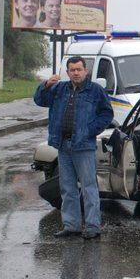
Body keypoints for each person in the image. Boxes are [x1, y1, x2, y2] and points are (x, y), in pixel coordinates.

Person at [34, 57, 114, 239]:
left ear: (85, 71)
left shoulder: (95, 91)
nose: (76, 73)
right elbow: (40, 100)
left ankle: (93, 227)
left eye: (79, 69)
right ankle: (72, 225)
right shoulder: (59, 88)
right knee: (67, 188)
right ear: (68, 72)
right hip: (63, 146)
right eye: (72, 70)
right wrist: (46, 84)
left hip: (84, 146)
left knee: (88, 188)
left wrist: (89, 130)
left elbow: (107, 114)